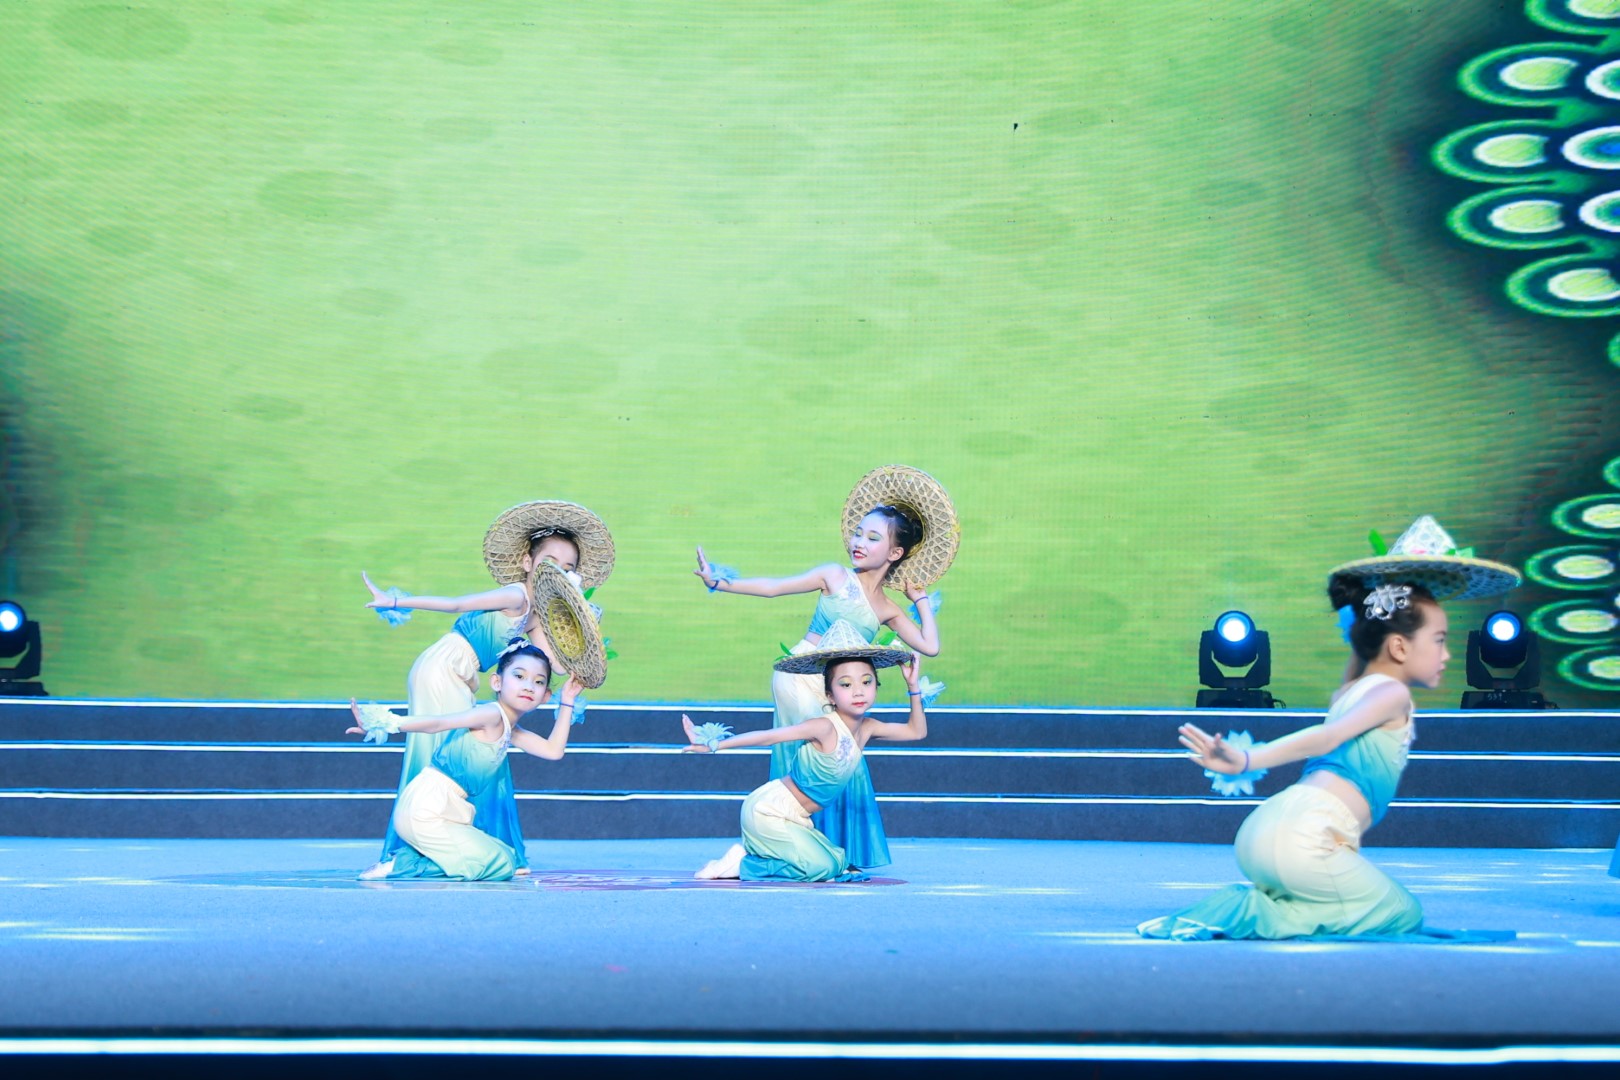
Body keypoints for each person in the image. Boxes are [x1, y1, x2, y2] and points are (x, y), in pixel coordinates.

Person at [1139, 517, 1519, 940]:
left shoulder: (1352, 691)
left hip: (1266, 831)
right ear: (1398, 646)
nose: (1446, 655)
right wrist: (1247, 759)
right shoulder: (1391, 694)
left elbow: (1359, 664)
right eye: (1439, 640)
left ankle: (1256, 906)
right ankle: (1252, 911)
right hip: (1306, 837)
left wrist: (1386, 599)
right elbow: (1328, 737)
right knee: (1401, 913)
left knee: (1343, 907)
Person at [693, 465, 957, 869]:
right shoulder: (835, 576)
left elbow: (930, 646)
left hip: (837, 687)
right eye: (858, 534)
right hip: (801, 678)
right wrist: (719, 582)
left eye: (873, 538)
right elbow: (774, 588)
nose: (859, 542)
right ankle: (786, 844)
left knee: (845, 759)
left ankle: (826, 850)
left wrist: (920, 600)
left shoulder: (886, 607)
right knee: (817, 757)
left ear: (895, 553)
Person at [361, 500, 613, 872]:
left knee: (488, 749)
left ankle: (490, 844)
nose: (559, 572)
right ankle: (407, 852)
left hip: (461, 674)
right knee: (440, 752)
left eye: (568, 568)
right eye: (550, 562)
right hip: (443, 667)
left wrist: (583, 624)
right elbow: (456, 604)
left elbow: (557, 664)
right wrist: (395, 600)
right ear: (528, 562)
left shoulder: (538, 615)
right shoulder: (517, 595)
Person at [680, 620, 927, 882]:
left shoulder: (867, 728)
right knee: (823, 868)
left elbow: (916, 732)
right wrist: (714, 744)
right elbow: (769, 737)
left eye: (866, 682)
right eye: (845, 685)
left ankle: (755, 857)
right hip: (768, 811)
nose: (858, 691)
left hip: (798, 818)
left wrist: (913, 686)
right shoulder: (824, 727)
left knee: (839, 861)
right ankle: (744, 864)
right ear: (830, 695)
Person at [347, 643, 586, 881]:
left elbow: (553, 751)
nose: (528, 686)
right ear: (497, 682)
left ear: (545, 696)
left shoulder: (510, 729)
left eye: (538, 682)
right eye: (519, 676)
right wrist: (384, 723)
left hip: (445, 809)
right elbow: (439, 723)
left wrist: (567, 700)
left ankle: (412, 859)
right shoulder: (491, 715)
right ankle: (401, 865)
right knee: (500, 864)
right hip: (426, 808)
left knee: (507, 856)